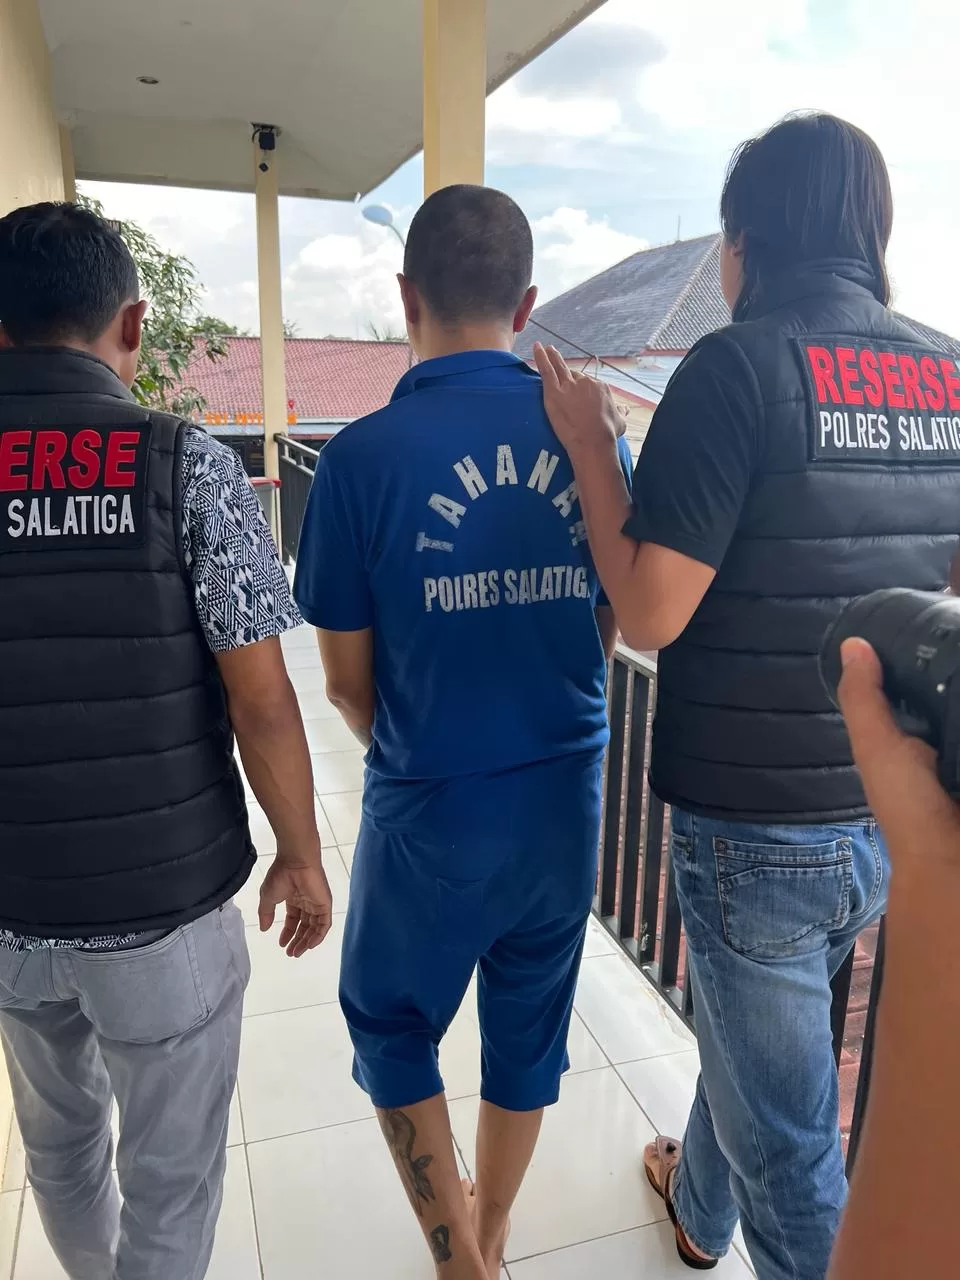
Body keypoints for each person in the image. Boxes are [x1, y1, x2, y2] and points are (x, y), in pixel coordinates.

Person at [534, 112, 960, 1279]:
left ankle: (739, 1208)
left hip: (753, 829)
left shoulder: (735, 368)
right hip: (882, 808)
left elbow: (652, 612)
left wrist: (592, 451)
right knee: (761, 1047)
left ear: (746, 241)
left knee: (791, 1151)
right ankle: (695, 1204)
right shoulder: (947, 373)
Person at [293, 184, 631, 1280]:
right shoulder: (589, 442)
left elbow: (346, 685)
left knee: (390, 1018)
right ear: (526, 305)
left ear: (407, 296)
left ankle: (461, 1261)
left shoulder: (359, 459)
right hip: (563, 798)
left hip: (431, 797)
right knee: (528, 1023)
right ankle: (490, 1233)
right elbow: (610, 619)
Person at [0, 202, 333, 1280]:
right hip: (162, 910)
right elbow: (261, 700)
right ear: (134, 325)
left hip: (11, 906)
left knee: (59, 1149)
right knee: (172, 1177)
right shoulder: (185, 463)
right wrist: (300, 852)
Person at [826, 636, 960, 1279]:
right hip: (858, 839)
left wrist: (937, 867)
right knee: (755, 1061)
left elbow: (652, 620)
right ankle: (700, 1210)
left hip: (761, 815)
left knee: (784, 1135)